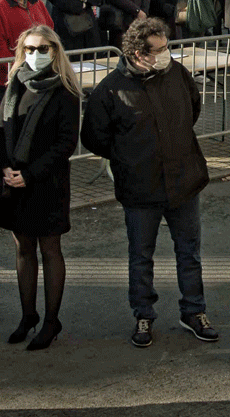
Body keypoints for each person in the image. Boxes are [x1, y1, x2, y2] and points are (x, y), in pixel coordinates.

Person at [81, 18, 220, 347]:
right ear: (135, 53)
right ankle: (143, 315)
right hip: (140, 186)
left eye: (166, 47)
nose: (164, 55)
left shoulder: (178, 75)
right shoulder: (111, 89)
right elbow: (94, 136)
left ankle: (194, 312)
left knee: (189, 253)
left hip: (184, 180)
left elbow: (192, 110)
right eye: (156, 50)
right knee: (141, 256)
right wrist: (127, 156)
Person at [0, 25, 81, 352]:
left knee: (49, 249)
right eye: (29, 49)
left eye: (43, 48)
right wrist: (5, 168)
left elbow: (65, 144)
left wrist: (29, 174)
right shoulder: (15, 83)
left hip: (47, 183)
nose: (36, 54)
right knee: (23, 249)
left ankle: (50, 321)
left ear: (55, 51)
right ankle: (28, 315)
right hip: (13, 181)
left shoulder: (66, 90)